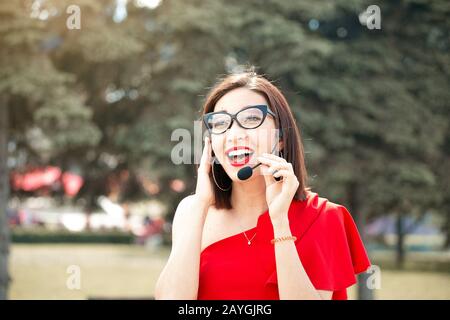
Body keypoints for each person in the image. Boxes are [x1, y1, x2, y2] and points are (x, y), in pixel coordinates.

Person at [155, 70, 371, 300]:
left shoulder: (322, 217)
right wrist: (200, 204)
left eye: (250, 119)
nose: (234, 134)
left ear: (281, 137)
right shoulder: (192, 210)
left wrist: (280, 222)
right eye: (220, 123)